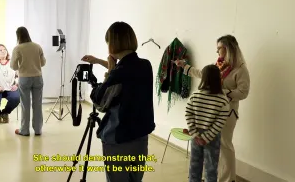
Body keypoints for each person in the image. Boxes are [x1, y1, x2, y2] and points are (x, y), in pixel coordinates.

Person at [84, 21, 155, 182]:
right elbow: (127, 72)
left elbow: (100, 101)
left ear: (112, 44)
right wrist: (106, 65)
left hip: (119, 138)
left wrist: (108, 72)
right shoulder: (146, 65)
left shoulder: (118, 74)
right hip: (141, 136)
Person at [173, 35, 250, 182]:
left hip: (227, 112)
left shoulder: (241, 69)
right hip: (211, 111)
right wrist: (185, 67)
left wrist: (223, 93)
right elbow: (204, 74)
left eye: (219, 48)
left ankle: (228, 179)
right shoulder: (220, 65)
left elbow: (243, 92)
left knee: (225, 145)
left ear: (228, 48)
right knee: (211, 147)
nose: (217, 52)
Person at [185, 64, 230, 182]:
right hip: (212, 137)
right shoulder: (223, 100)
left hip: (196, 136)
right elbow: (220, 122)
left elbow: (188, 115)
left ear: (203, 78)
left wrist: (195, 134)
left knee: (194, 164)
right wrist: (207, 137)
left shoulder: (195, 96)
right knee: (211, 167)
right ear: (218, 79)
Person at [10, 26, 46, 136]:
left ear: (18, 36)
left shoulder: (18, 48)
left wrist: (22, 65)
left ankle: (24, 130)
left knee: (25, 105)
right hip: (38, 77)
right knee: (38, 104)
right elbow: (43, 63)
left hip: (24, 78)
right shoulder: (37, 46)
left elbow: (13, 66)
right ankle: (38, 130)